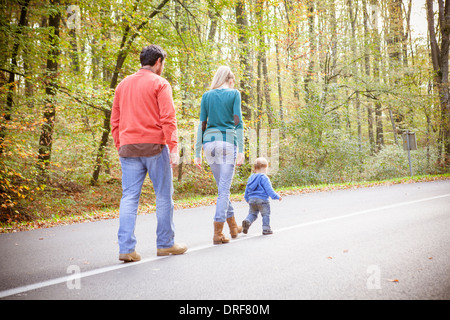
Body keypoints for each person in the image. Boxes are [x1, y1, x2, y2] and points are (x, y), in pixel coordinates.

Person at [111, 45, 187, 262]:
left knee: (129, 197)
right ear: (158, 62)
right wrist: (173, 147)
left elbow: (114, 121)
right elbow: (168, 118)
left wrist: (120, 145)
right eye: (163, 63)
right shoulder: (160, 83)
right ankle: (165, 244)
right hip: (154, 147)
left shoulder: (122, 85)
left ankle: (126, 249)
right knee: (163, 196)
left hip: (128, 148)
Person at [194, 66, 245, 245]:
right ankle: (218, 233)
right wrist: (241, 150)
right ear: (229, 80)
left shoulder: (207, 96)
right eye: (233, 81)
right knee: (224, 190)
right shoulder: (234, 94)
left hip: (209, 144)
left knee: (222, 189)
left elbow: (202, 123)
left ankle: (233, 227)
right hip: (227, 143)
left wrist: (197, 152)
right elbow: (238, 122)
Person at [242, 157, 282, 235]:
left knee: (252, 214)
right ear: (265, 168)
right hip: (262, 200)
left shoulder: (251, 178)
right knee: (265, 214)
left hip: (252, 200)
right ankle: (266, 229)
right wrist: (277, 196)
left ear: (255, 168)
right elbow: (269, 190)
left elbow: (247, 189)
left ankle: (247, 221)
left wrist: (247, 199)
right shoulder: (264, 178)